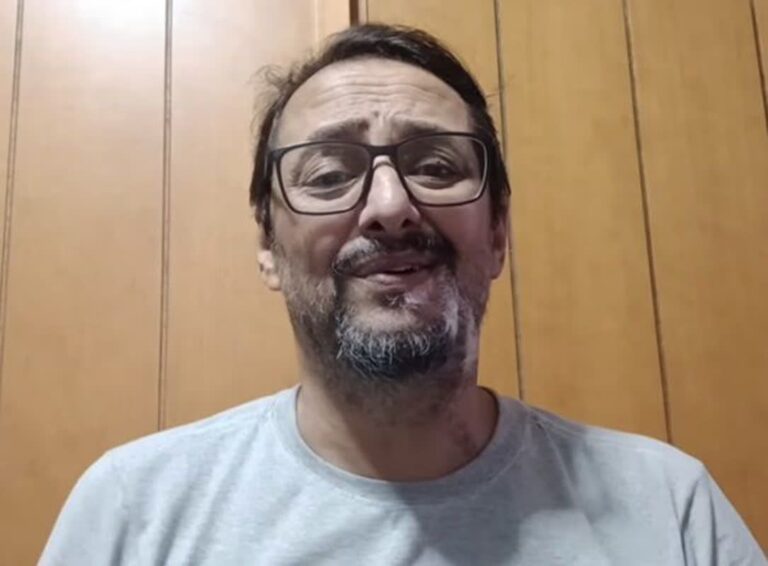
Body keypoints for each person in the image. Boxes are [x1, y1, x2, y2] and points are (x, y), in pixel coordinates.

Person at [40, 24, 765, 565]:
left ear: (498, 232)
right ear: (268, 245)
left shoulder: (669, 507)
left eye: (437, 166)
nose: (390, 206)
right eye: (329, 175)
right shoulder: (134, 511)